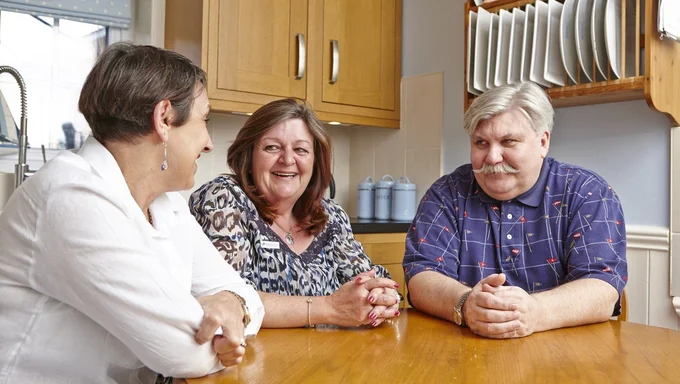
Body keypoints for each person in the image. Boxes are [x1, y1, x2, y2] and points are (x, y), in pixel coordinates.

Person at [0, 42, 264, 383]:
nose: (210, 142)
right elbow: (181, 352)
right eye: (204, 120)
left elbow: (248, 298)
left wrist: (232, 303)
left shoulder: (166, 204)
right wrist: (223, 326)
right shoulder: (70, 198)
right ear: (165, 118)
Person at [403, 82, 627, 339]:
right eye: (481, 143)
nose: (492, 157)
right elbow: (421, 275)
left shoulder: (587, 192)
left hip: (566, 359)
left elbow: (603, 287)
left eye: (508, 141)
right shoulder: (446, 193)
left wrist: (535, 312)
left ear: (543, 142)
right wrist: (465, 303)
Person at [189, 98, 400, 328]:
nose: (288, 160)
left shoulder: (331, 216)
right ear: (248, 156)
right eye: (272, 147)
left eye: (300, 149)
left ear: (315, 162)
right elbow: (226, 298)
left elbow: (365, 278)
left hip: (329, 359)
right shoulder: (224, 199)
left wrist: (382, 297)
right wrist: (330, 308)